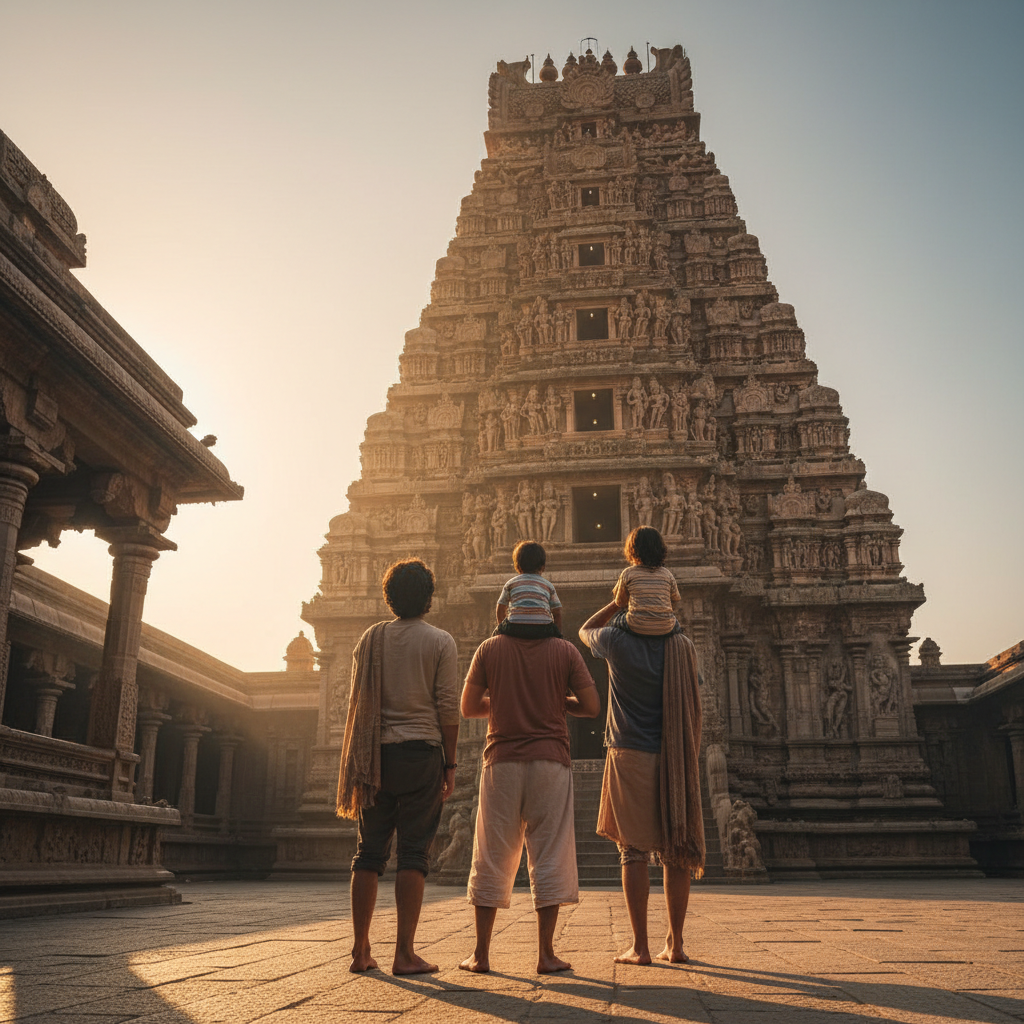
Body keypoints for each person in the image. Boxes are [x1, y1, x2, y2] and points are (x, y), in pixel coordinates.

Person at [336, 559, 459, 975]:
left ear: (388, 596)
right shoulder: (440, 641)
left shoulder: (369, 640)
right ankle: (404, 953)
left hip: (374, 757)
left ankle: (360, 951)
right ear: (429, 596)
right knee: (413, 854)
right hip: (422, 754)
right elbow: (448, 709)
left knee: (367, 854)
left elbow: (357, 701)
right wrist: (451, 763)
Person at [459, 625, 600, 974]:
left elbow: (468, 707)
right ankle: (546, 954)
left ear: (506, 611)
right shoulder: (565, 650)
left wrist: (504, 700)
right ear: (550, 612)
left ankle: (480, 954)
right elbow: (593, 706)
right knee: (550, 852)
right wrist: (556, 701)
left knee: (492, 852)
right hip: (550, 761)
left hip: (501, 762)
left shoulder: (489, 648)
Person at [578, 593, 704, 966]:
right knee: (677, 848)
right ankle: (676, 944)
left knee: (632, 851)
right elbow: (694, 691)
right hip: (673, 754)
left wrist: (617, 603)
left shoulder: (615, 640)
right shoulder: (683, 646)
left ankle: (641, 947)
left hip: (628, 752)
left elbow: (585, 630)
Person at [612, 526, 681, 637]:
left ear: (631, 550)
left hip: (636, 625)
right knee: (677, 624)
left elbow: (619, 602)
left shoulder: (628, 573)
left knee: (615, 621)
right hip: (666, 627)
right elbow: (676, 600)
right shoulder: (667, 574)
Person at [494, 540, 563, 639]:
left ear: (517, 567)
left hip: (515, 627)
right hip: (542, 629)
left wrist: (503, 629)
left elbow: (500, 608)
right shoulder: (548, 585)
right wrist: (558, 636)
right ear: (542, 567)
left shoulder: (511, 583)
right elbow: (557, 612)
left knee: (495, 634)